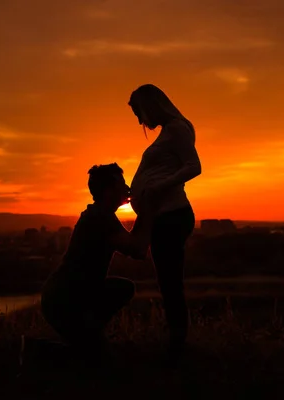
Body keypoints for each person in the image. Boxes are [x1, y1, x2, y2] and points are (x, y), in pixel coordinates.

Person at [40, 163, 156, 363]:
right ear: (109, 190)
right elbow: (138, 250)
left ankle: (89, 335)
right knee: (96, 360)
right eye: (122, 183)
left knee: (122, 288)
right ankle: (44, 352)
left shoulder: (100, 215)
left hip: (67, 295)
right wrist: (148, 212)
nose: (128, 188)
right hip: (64, 300)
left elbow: (133, 245)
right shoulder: (100, 218)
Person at [128, 84, 202, 362]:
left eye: (139, 112)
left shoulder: (177, 129)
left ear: (150, 105)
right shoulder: (168, 133)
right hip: (162, 216)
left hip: (172, 215)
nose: (139, 121)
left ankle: (177, 347)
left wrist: (158, 187)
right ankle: (176, 342)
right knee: (167, 282)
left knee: (170, 283)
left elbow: (194, 166)